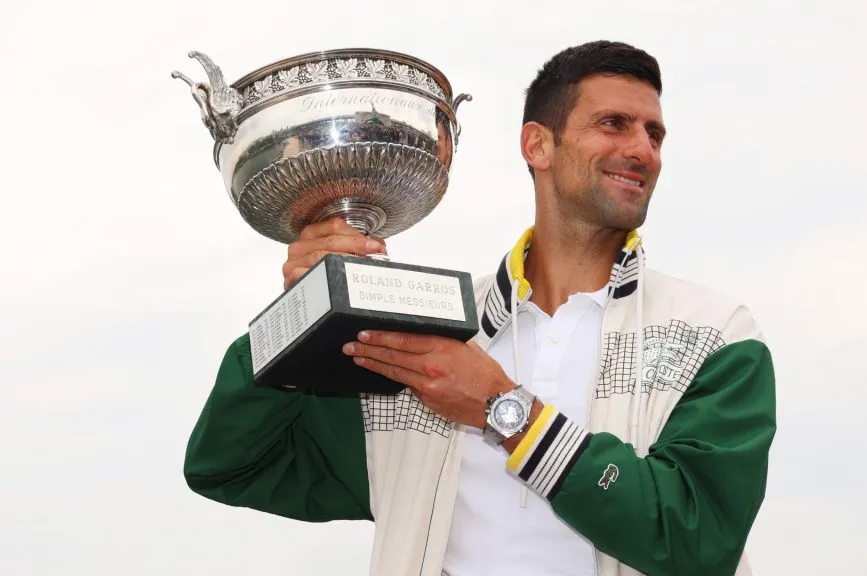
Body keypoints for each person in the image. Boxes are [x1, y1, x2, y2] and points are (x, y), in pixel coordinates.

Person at [183, 40, 776, 576]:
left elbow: (700, 541)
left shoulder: (713, 333)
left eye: (654, 133)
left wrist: (503, 409)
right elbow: (229, 463)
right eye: (614, 124)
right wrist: (303, 309)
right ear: (537, 144)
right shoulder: (424, 335)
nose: (641, 150)